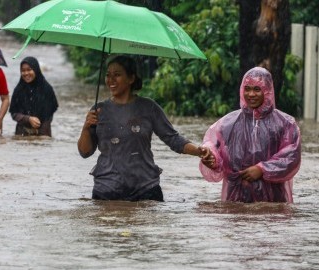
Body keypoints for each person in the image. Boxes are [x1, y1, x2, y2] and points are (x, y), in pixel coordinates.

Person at [77, 55, 210, 202]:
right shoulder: (98, 110)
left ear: (131, 78)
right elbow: (85, 152)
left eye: (117, 75)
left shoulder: (149, 108)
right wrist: (85, 126)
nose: (111, 80)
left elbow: (173, 139)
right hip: (106, 190)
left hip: (146, 190)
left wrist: (199, 151)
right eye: (108, 75)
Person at [199, 67, 301, 203]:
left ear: (267, 91)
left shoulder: (285, 124)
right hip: (235, 197)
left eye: (257, 89)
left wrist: (262, 169)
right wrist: (211, 160)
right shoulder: (228, 123)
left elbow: (292, 158)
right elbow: (214, 149)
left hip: (273, 200)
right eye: (247, 89)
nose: (251, 94)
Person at [9, 56, 58, 137]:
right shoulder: (19, 89)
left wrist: (41, 136)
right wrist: (28, 119)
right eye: (23, 71)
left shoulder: (46, 89)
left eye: (29, 69)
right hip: (21, 134)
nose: (26, 73)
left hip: (43, 133)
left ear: (36, 70)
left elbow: (49, 113)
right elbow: (14, 113)